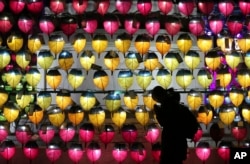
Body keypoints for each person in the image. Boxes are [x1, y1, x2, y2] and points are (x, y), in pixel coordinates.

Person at [152, 86, 199, 164]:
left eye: (157, 99)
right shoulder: (176, 104)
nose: (158, 101)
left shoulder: (168, 105)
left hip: (171, 144)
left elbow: (166, 123)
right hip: (179, 144)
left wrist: (158, 114)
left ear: (159, 96)